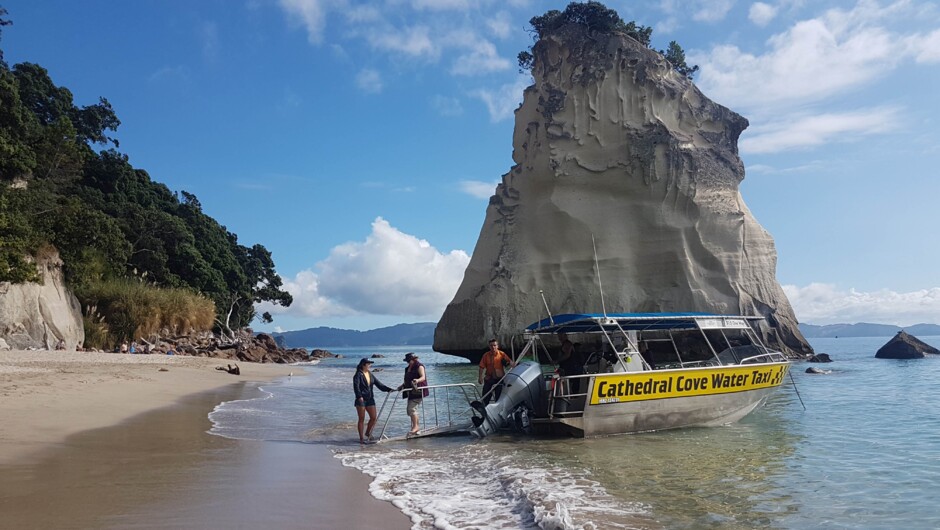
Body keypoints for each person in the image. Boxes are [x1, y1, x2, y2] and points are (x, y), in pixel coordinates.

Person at [353, 358, 393, 444]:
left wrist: (389, 389)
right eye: (368, 364)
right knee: (361, 419)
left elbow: (379, 385)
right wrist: (359, 396)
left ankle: (367, 432)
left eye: (370, 364)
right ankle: (361, 438)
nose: (370, 365)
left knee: (374, 418)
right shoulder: (358, 375)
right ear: (363, 365)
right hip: (361, 400)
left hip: (370, 399)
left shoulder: (370, 374)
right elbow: (356, 387)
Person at [397, 353, 428, 436]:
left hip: (418, 390)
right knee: (412, 409)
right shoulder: (407, 368)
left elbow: (423, 377)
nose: (408, 362)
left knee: (411, 409)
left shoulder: (419, 366)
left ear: (414, 359)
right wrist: (401, 386)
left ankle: (415, 427)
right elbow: (406, 380)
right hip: (410, 391)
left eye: (409, 361)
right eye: (407, 361)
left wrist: (417, 380)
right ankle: (416, 427)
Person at [478, 339, 512, 404]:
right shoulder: (486, 355)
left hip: (499, 379)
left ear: (497, 346)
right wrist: (480, 377)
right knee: (485, 397)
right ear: (489, 347)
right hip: (489, 379)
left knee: (498, 397)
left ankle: (498, 409)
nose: (493, 347)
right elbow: (481, 367)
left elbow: (510, 362)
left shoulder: (502, 354)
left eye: (494, 345)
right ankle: (485, 408)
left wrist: (512, 364)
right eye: (491, 346)